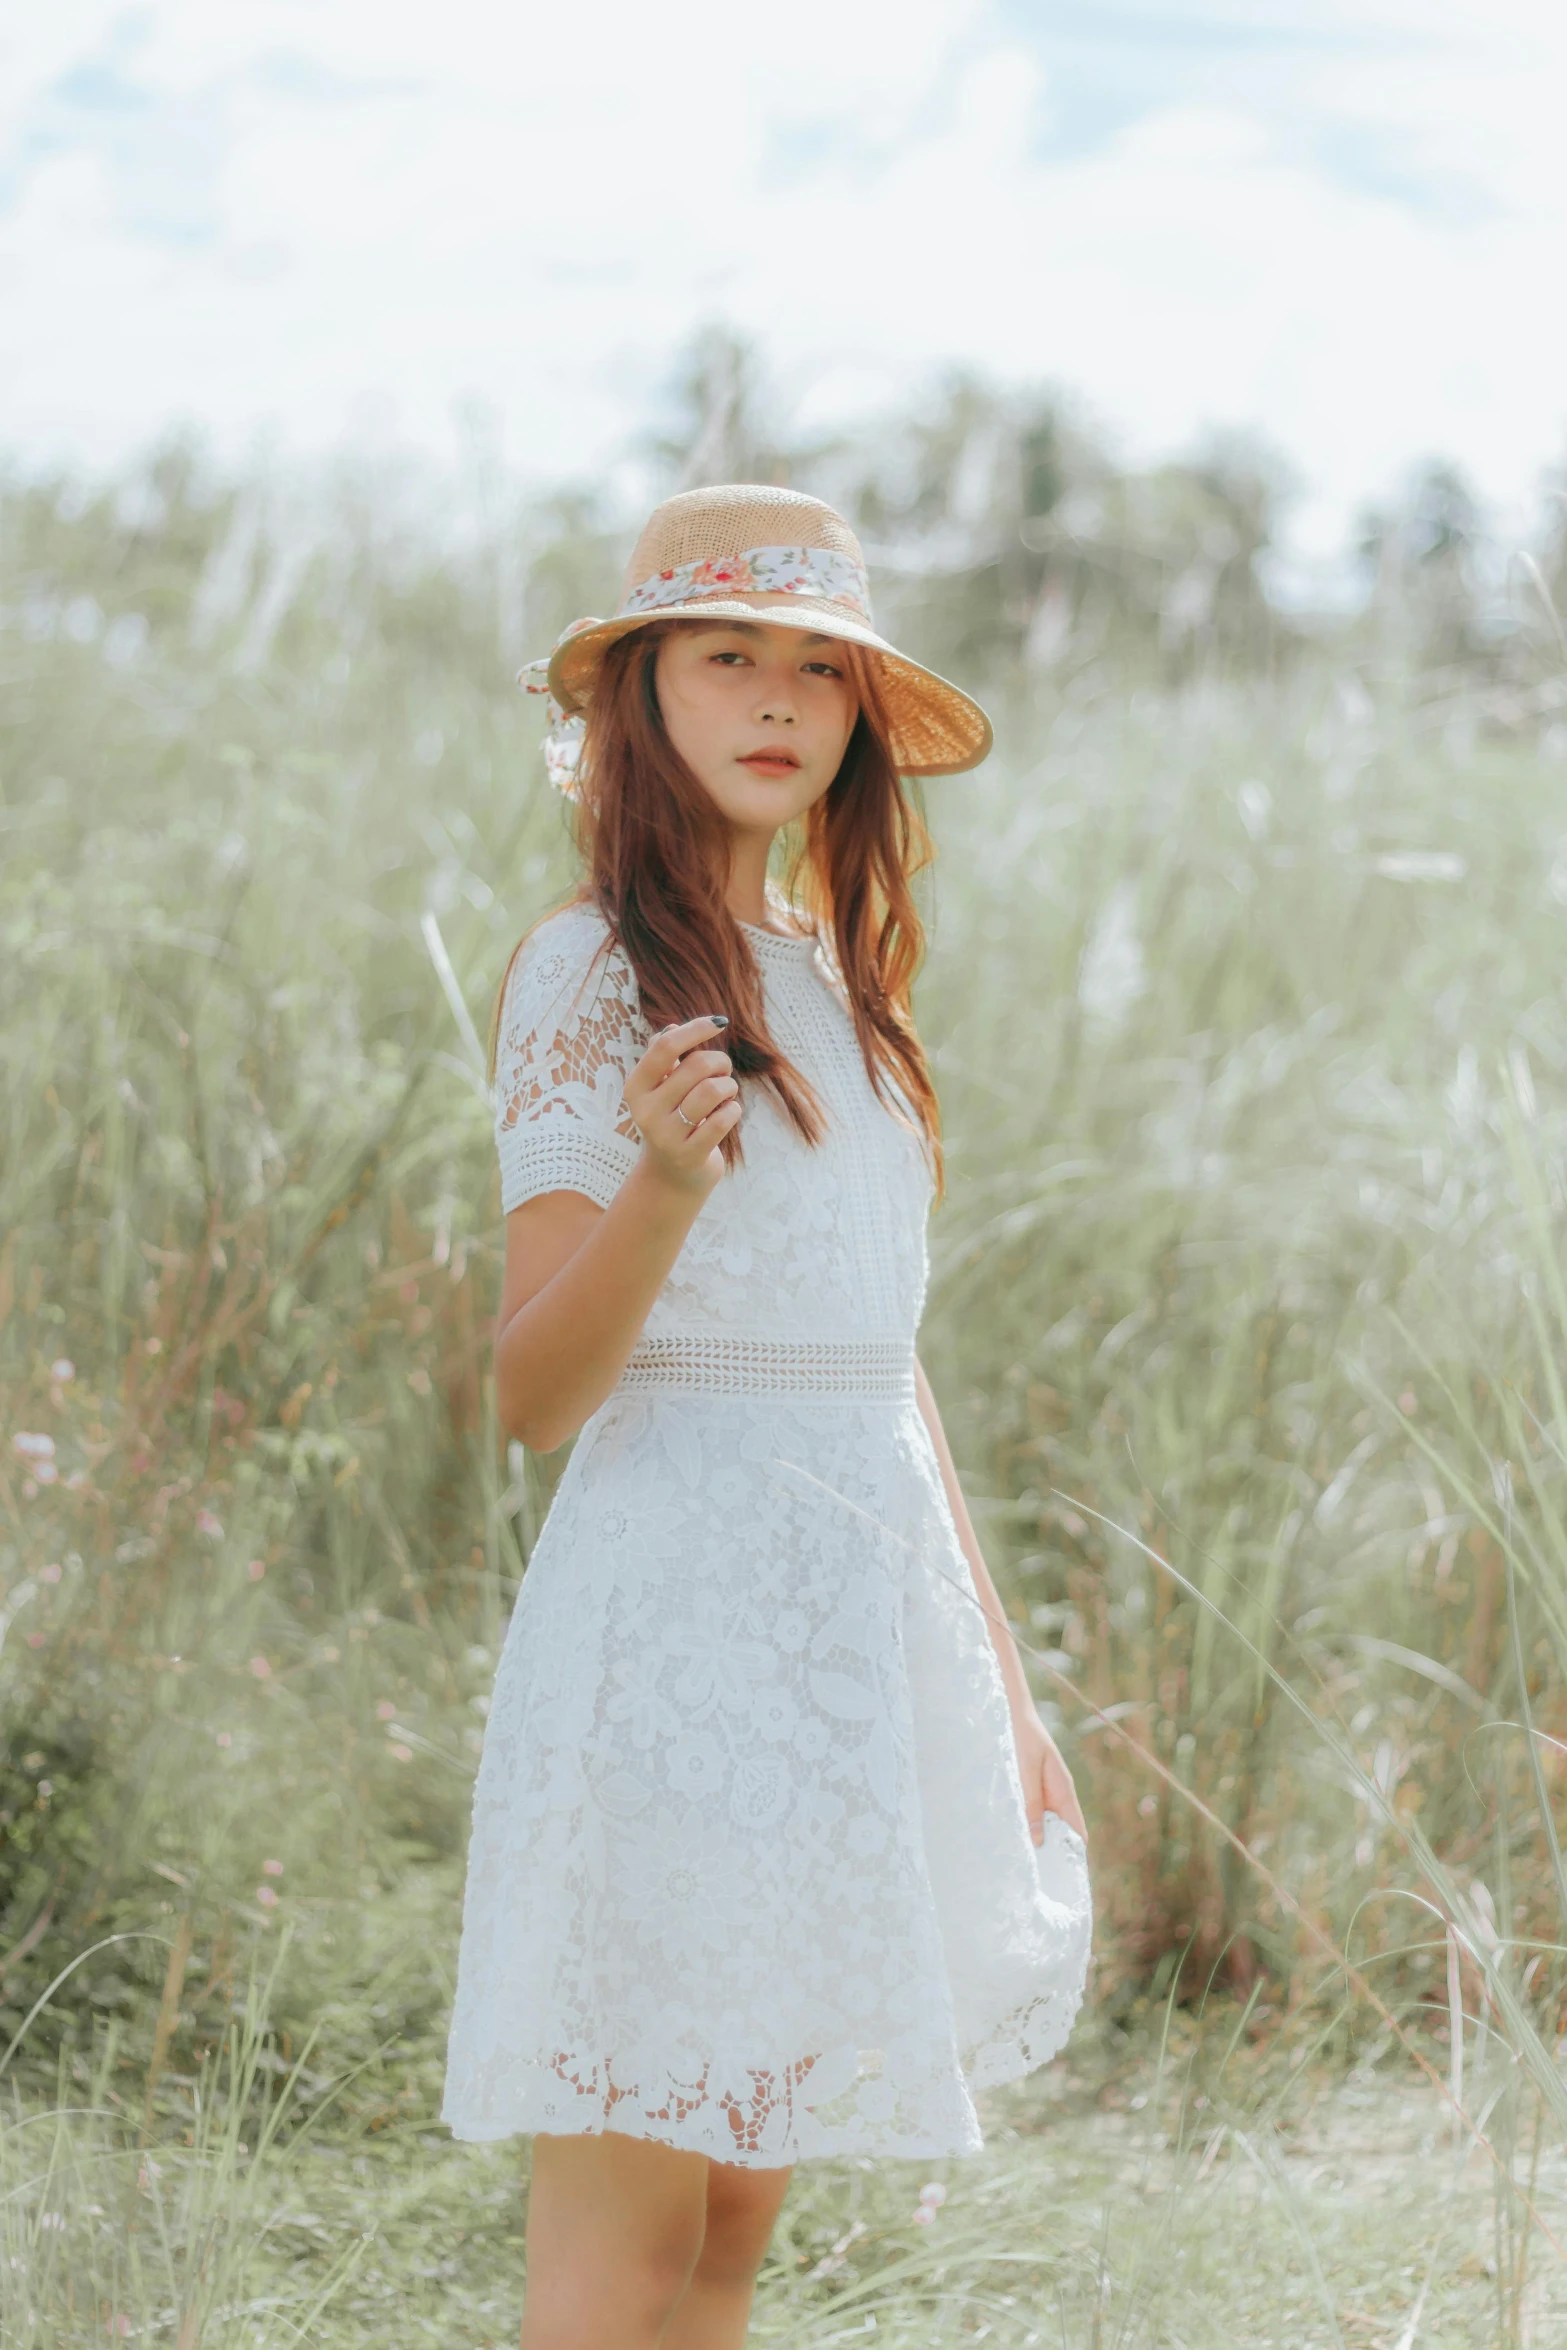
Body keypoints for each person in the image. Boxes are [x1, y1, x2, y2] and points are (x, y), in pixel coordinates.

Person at [441, 484, 1092, 2349]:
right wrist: (656, 1187)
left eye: (818, 666)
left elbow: (881, 1355)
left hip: (846, 1648)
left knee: (734, 2225)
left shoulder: (848, 982)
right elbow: (530, 1397)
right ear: (641, 691)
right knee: (623, 2240)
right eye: (728, 654)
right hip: (673, 1640)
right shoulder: (589, 966)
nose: (778, 698)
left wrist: (1005, 1680)